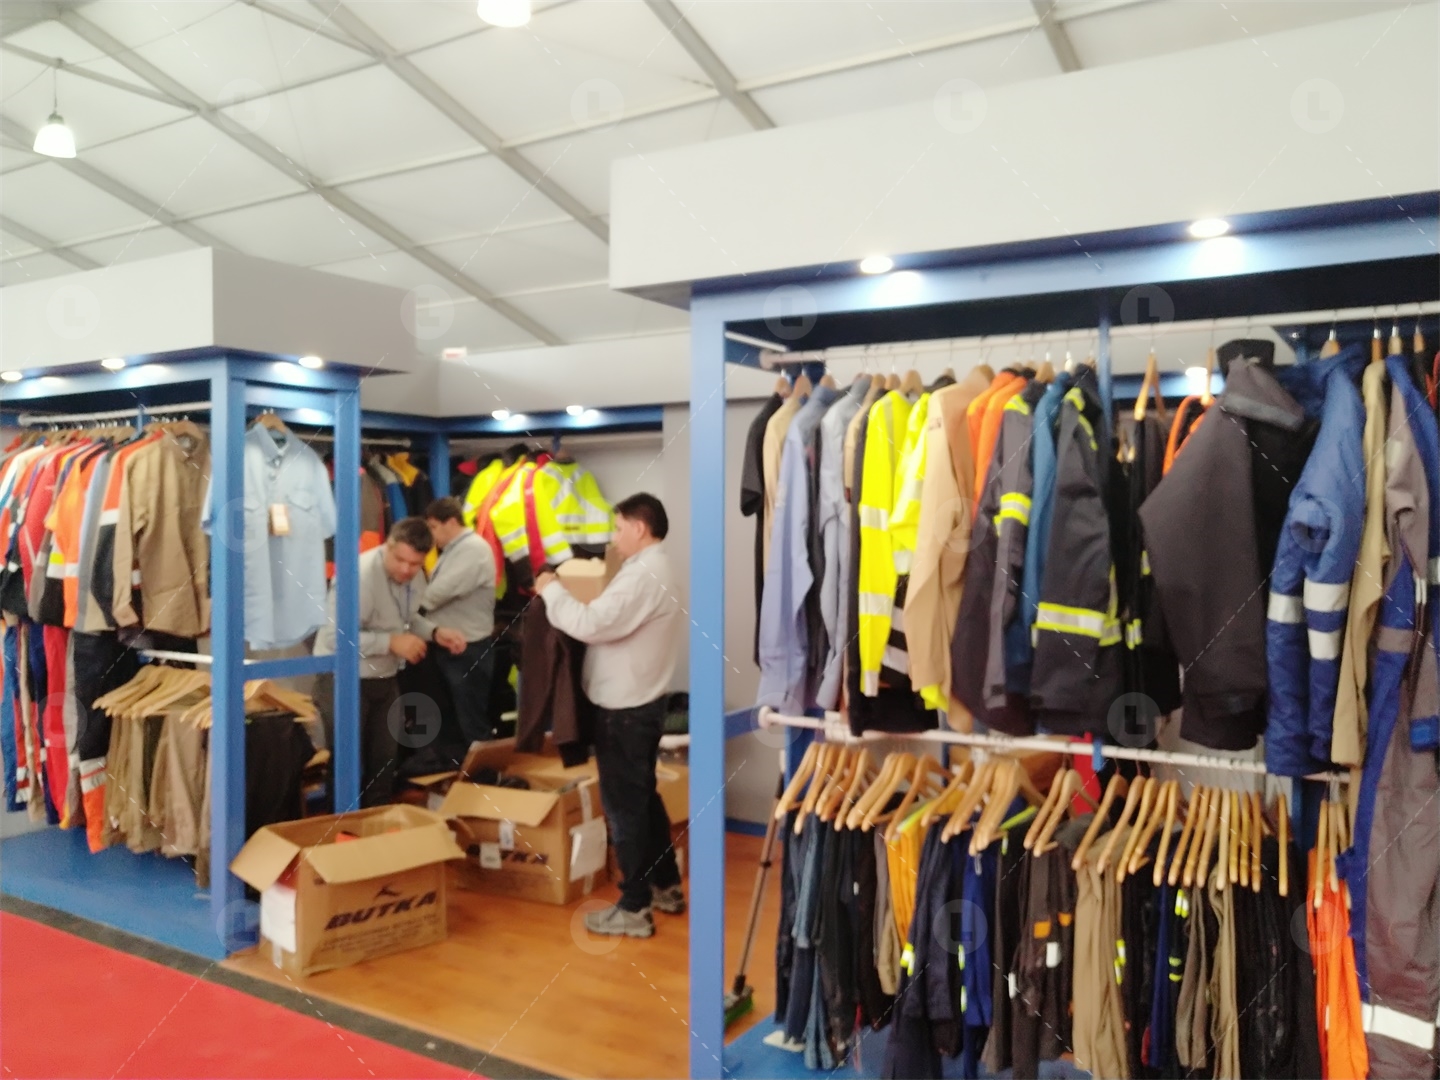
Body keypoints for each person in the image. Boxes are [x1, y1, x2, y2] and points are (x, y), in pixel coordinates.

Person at [535, 492, 683, 939]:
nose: (614, 538)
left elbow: (591, 624)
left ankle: (634, 907)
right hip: (640, 706)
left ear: (639, 528)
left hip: (625, 712)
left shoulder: (642, 576)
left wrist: (551, 590)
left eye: (619, 529)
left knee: (624, 809)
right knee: (643, 798)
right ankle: (665, 885)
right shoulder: (655, 569)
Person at [315, 517, 433, 808]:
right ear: (387, 546)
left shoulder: (415, 576)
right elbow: (335, 638)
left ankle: (377, 826)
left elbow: (407, 617)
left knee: (384, 762)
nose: (406, 570)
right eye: (400, 560)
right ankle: (340, 828)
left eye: (414, 564)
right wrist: (390, 642)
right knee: (347, 764)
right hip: (344, 678)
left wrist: (435, 632)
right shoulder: (359, 576)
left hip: (385, 676)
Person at [422, 496, 499, 744]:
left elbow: (437, 593)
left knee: (470, 719)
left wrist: (407, 608)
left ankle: (482, 767)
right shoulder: (454, 550)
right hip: (454, 645)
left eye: (434, 527)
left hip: (467, 648)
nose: (431, 535)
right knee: (457, 718)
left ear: (452, 522)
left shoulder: (473, 550)